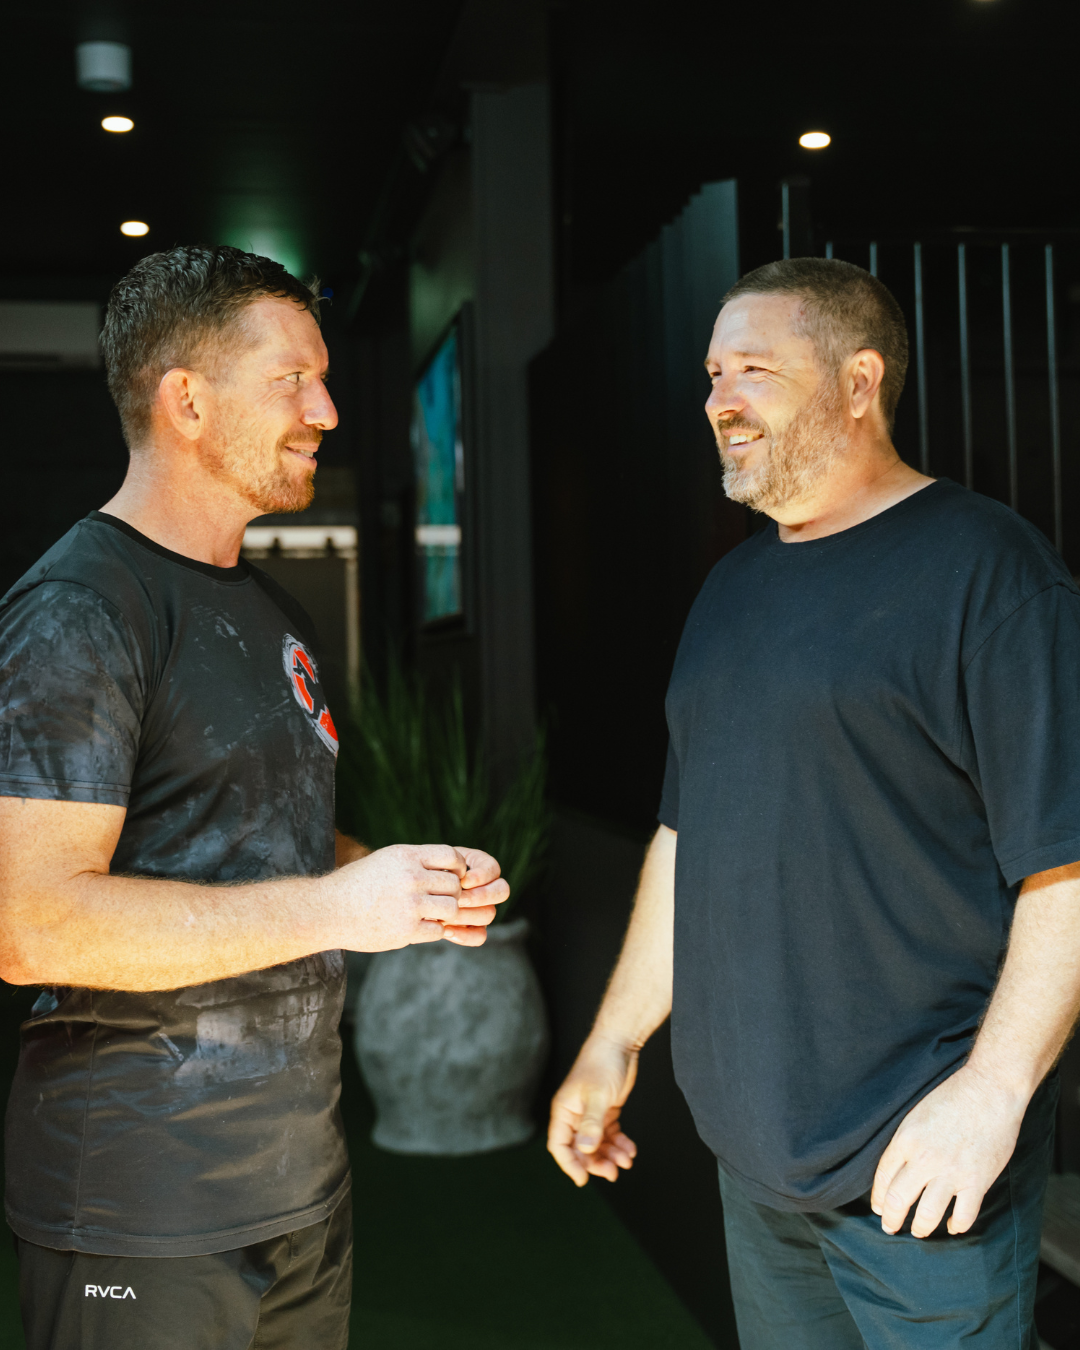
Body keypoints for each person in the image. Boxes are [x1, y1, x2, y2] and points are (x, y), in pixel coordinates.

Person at [548, 257, 1080, 1348]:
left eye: (753, 369)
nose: (718, 401)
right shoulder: (731, 591)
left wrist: (991, 1096)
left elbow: (1066, 863)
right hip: (756, 1165)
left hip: (923, 1171)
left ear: (857, 382)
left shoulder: (991, 573)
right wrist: (613, 1041)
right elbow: (687, 838)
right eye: (709, 374)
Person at [0, 245, 508, 1350]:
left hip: (296, 1190)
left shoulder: (275, 612)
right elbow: (30, 923)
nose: (327, 408)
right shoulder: (84, 608)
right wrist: (337, 911)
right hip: (138, 1209)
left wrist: (397, 881)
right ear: (187, 399)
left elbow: (254, 841)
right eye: (294, 379)